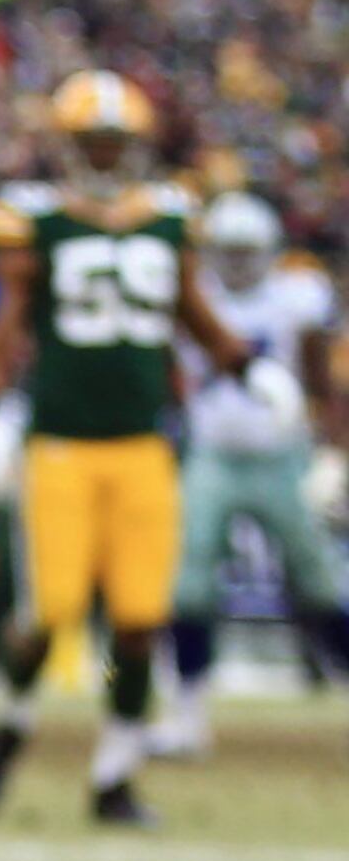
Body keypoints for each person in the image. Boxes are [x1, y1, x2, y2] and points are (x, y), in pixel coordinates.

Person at [0, 74, 264, 827]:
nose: (103, 155)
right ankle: (9, 727)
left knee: (138, 617)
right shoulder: (36, 221)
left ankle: (115, 777)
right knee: (52, 609)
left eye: (113, 141)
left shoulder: (167, 217)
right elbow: (4, 326)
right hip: (61, 445)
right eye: (91, 141)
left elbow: (192, 312)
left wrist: (250, 367)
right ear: (67, 145)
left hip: (143, 446)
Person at [158, 192, 343, 757]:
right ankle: (188, 718)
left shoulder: (296, 300)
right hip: (210, 453)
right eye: (228, 251)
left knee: (321, 583)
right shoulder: (192, 297)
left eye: (247, 252)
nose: (237, 263)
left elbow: (321, 381)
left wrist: (333, 449)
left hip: (281, 455)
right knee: (186, 586)